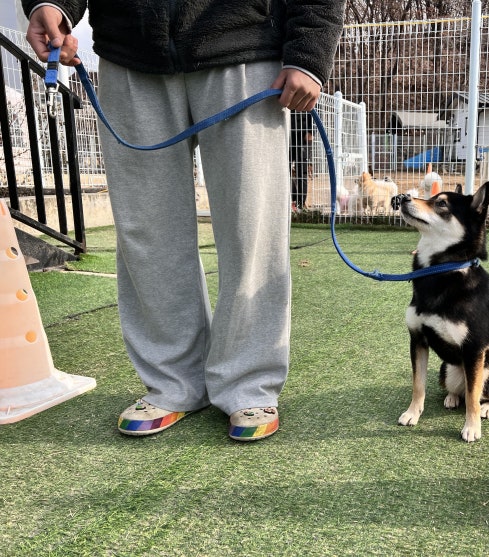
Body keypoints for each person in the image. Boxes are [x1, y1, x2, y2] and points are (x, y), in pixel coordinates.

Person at [24, 0, 345, 441]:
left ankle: (248, 383)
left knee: (252, 228)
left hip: (244, 46)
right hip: (130, 50)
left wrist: (309, 53)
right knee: (146, 229)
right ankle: (174, 383)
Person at [290, 111, 314, 212]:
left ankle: (300, 204)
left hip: (303, 137)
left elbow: (315, 112)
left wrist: (311, 132)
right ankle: (292, 199)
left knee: (302, 172)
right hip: (287, 133)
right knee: (284, 170)